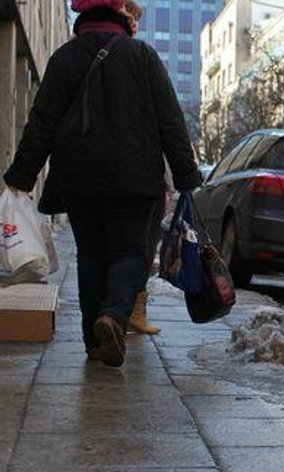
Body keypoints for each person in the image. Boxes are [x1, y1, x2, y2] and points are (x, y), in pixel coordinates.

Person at [3, 0, 201, 367]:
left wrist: (20, 178)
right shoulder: (142, 56)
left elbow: (42, 122)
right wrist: (187, 176)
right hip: (135, 178)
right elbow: (170, 122)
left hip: (78, 179)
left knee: (91, 256)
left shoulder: (64, 58)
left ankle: (94, 346)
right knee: (130, 253)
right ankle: (111, 317)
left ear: (83, 18)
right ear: (120, 19)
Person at [120, 0, 162, 335]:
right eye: (127, 15)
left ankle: (135, 308)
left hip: (146, 169)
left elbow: (166, 117)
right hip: (126, 170)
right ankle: (116, 310)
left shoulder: (144, 57)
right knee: (126, 247)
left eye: (135, 17)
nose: (132, 22)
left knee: (145, 246)